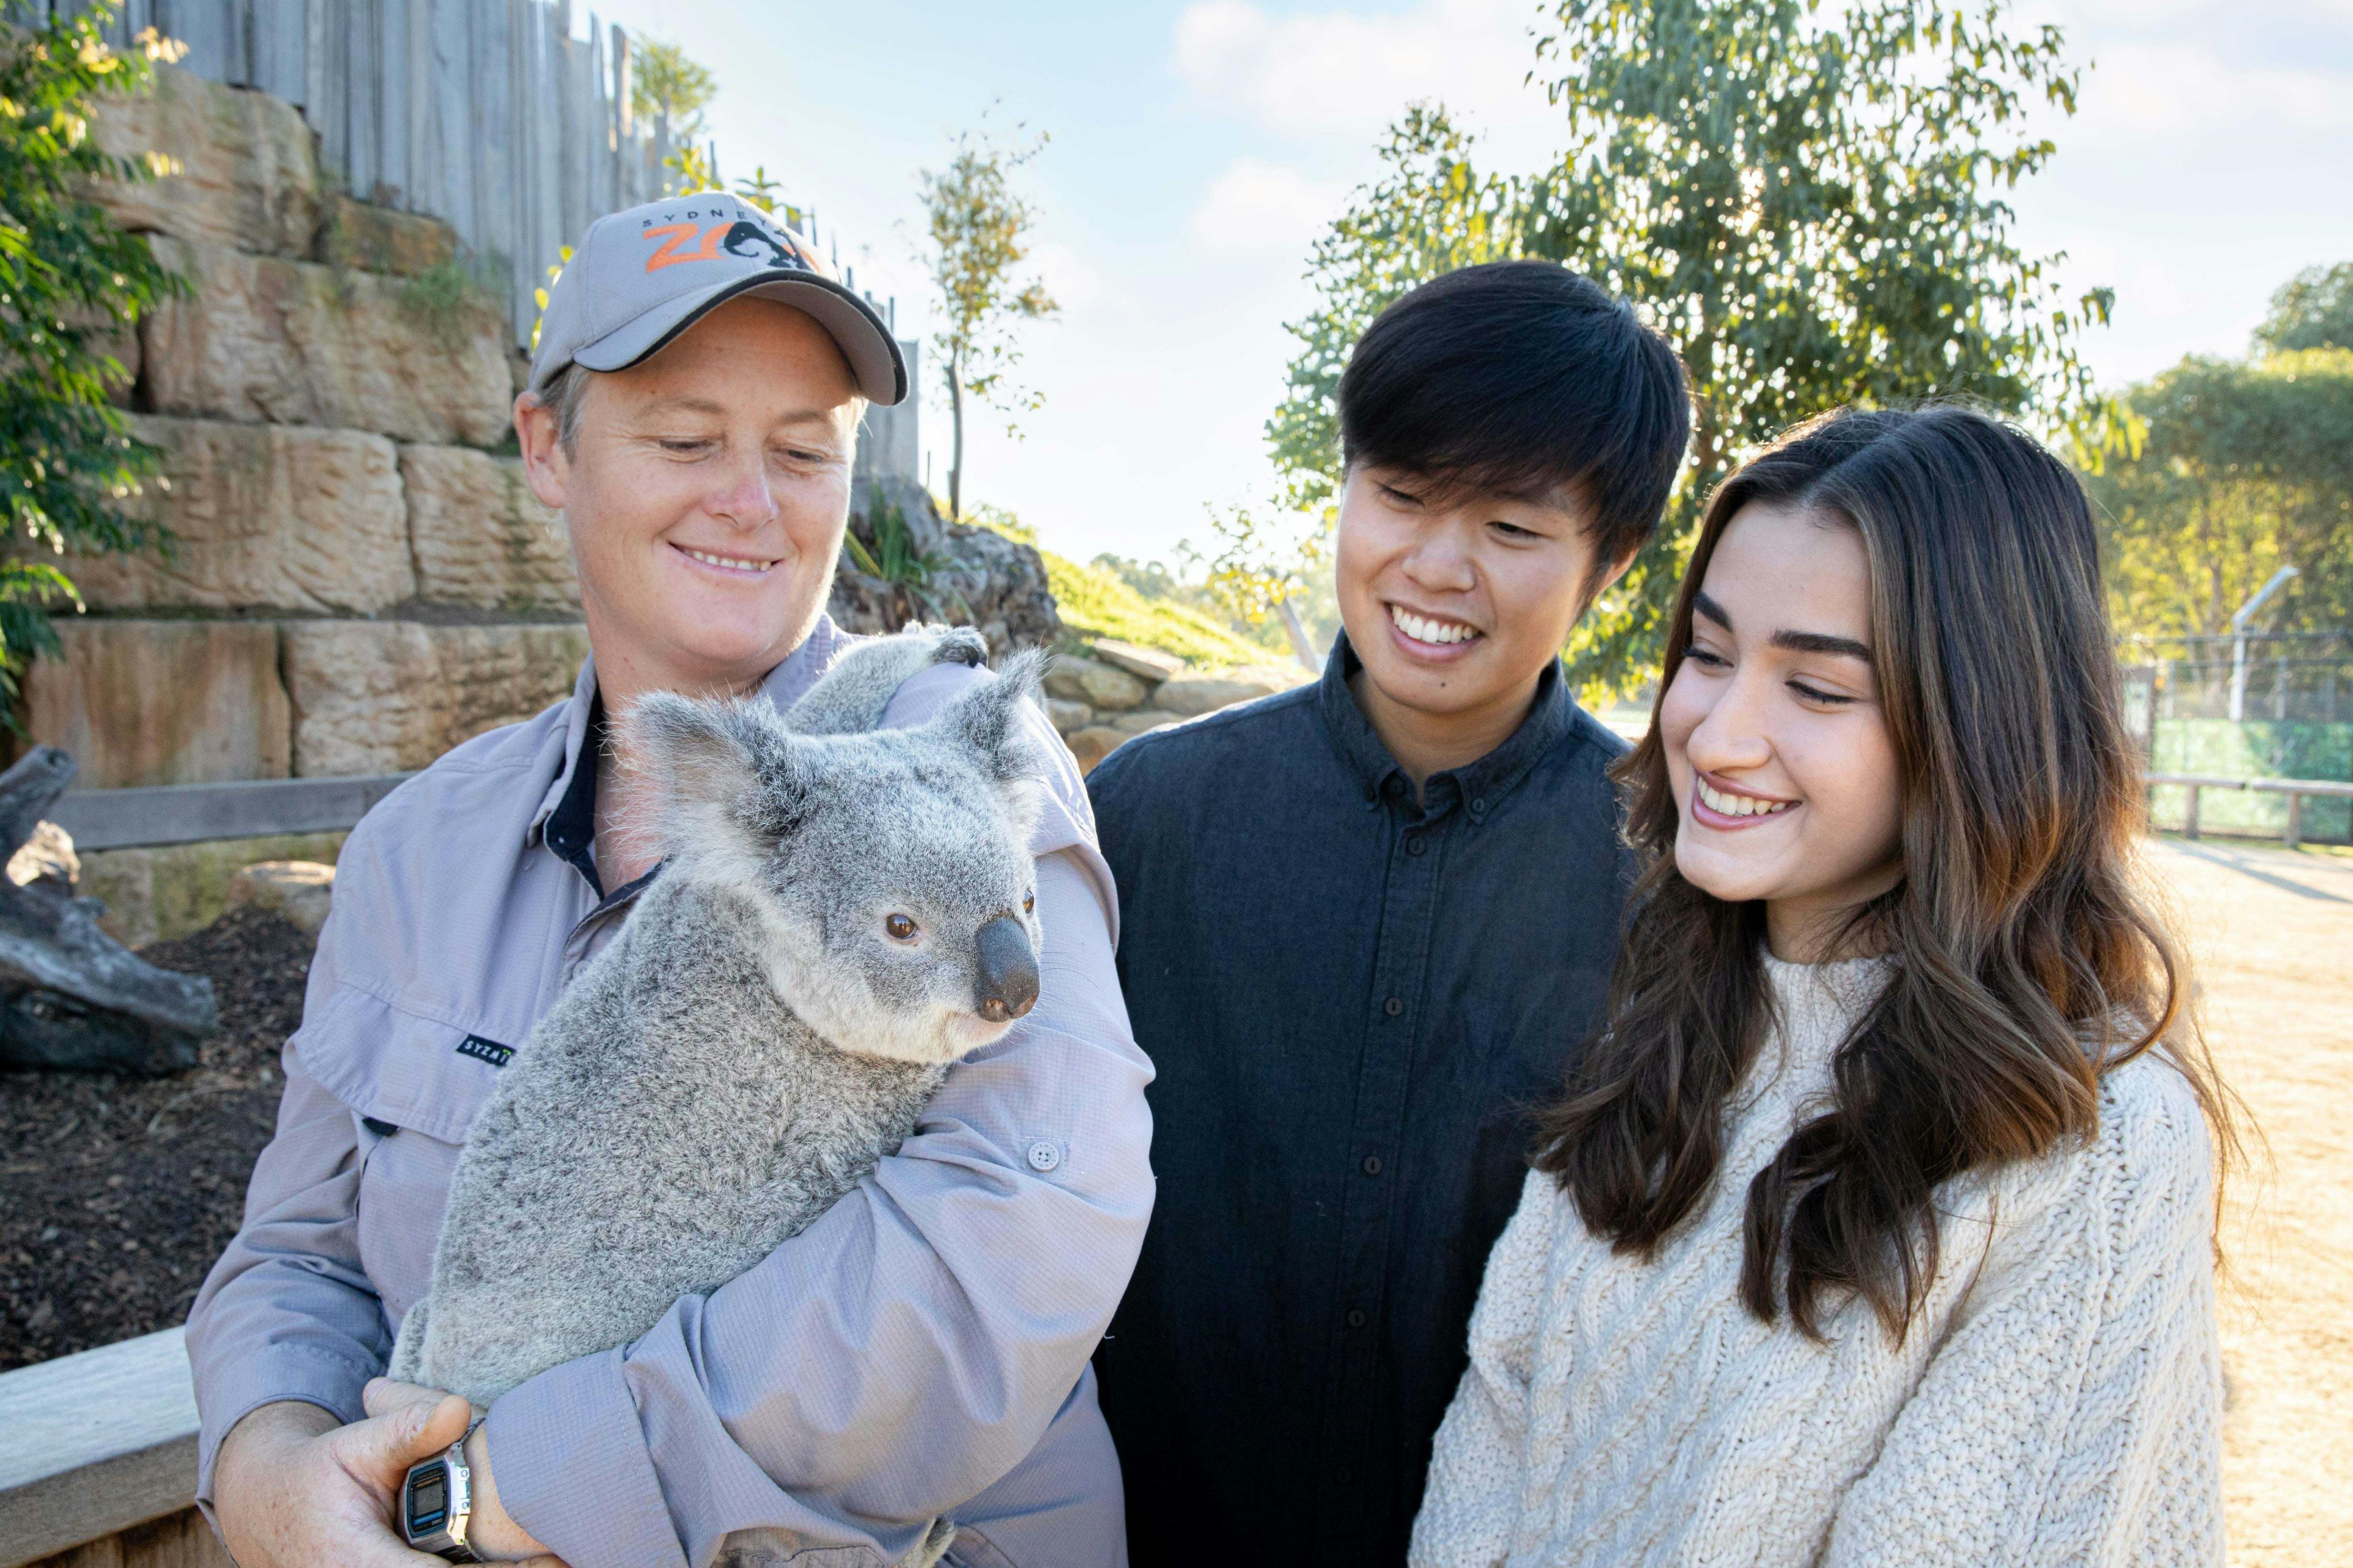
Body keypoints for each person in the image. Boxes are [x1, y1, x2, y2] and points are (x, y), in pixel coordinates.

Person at [184, 192, 1155, 1568]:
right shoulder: (417, 849)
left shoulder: (947, 763)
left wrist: (519, 1486)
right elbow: (296, 1253)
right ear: (547, 447)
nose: (748, 503)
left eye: (801, 452)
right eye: (686, 439)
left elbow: (1028, 1218)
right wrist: (275, 1470)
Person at [1411, 405, 2235, 1567]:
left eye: (1816, 689)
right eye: (1706, 653)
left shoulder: (2093, 1147)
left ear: (1977, 732)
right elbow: (1492, 1441)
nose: (1714, 732)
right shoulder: (1670, 1012)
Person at [1087, 261, 1689, 1563]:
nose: (1435, 565)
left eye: (1513, 530)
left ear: (1614, 564)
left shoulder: (1674, 879)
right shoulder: (1139, 819)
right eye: (1401, 495)